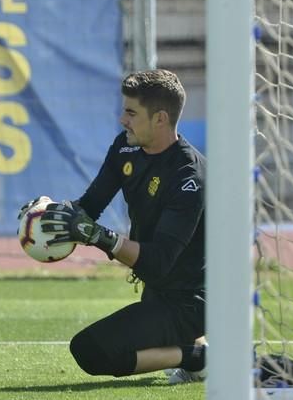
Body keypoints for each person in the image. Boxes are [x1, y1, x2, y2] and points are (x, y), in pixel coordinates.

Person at [20, 69, 206, 384]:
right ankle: (193, 348)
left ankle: (198, 357)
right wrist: (51, 213)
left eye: (131, 113)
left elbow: (158, 262)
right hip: (159, 293)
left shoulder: (188, 178)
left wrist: (99, 237)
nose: (123, 120)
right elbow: (89, 207)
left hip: (192, 301)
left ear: (160, 119)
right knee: (111, 340)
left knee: (89, 350)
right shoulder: (125, 148)